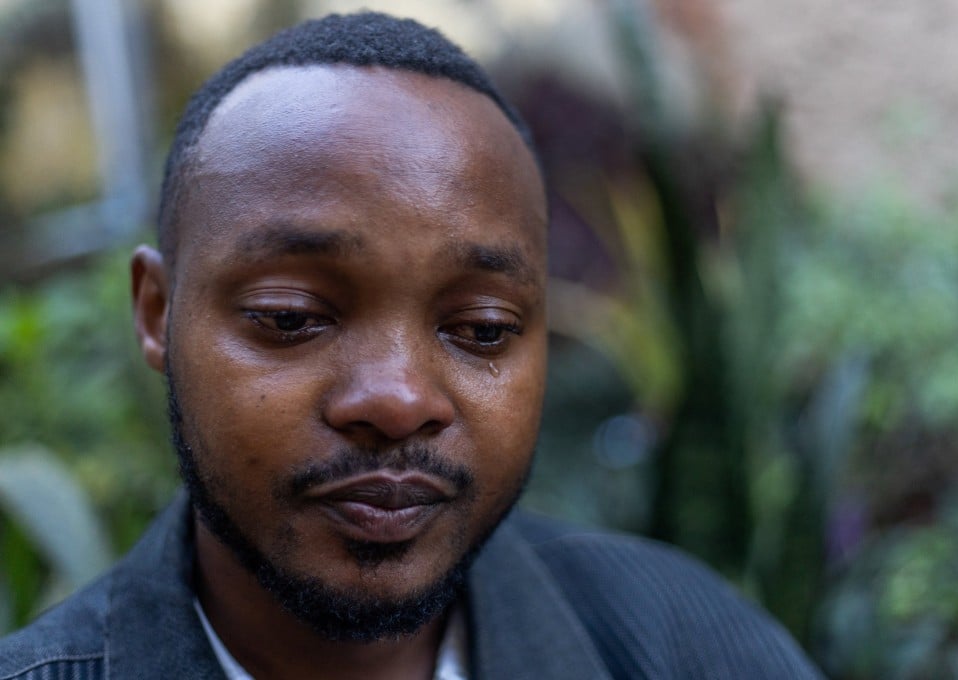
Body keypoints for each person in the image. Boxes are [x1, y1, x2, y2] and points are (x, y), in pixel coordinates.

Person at [0, 12, 823, 680]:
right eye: (291, 317)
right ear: (157, 313)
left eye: (482, 331)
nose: (397, 399)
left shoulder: (692, 647)